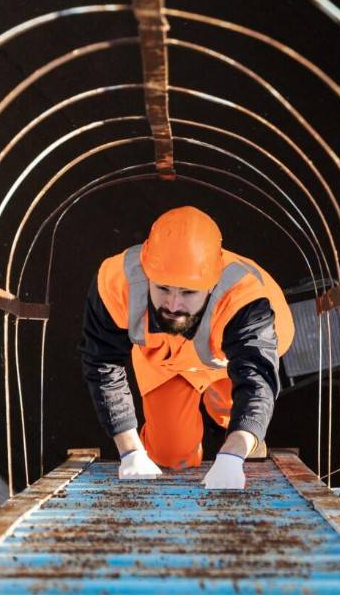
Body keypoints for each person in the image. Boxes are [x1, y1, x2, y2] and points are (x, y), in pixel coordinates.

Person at [78, 206, 294, 490]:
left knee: (236, 416)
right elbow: (101, 363)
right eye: (164, 288)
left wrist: (233, 453)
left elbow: (256, 381)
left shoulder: (246, 301)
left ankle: (223, 420)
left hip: (228, 359)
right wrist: (130, 451)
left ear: (211, 286)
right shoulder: (116, 283)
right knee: (169, 456)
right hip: (166, 359)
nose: (173, 305)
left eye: (189, 292)